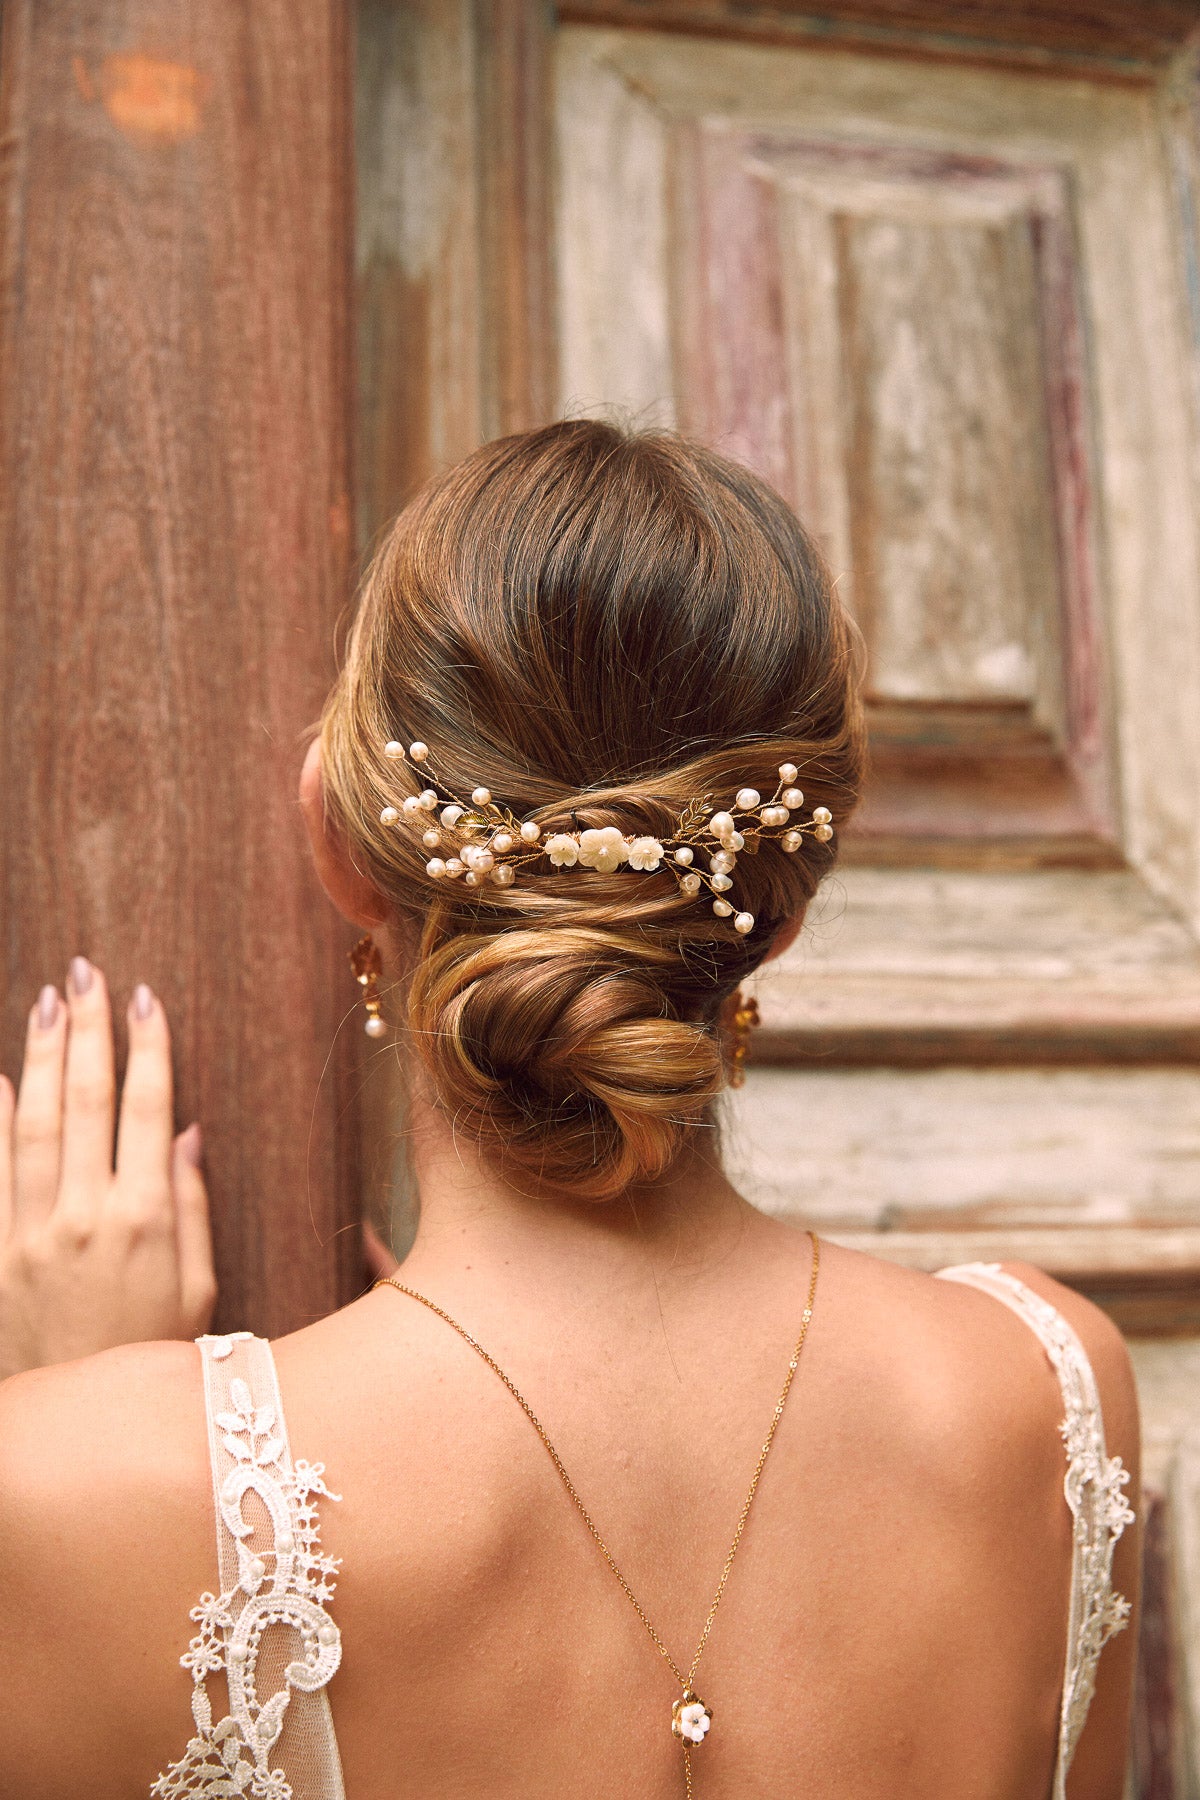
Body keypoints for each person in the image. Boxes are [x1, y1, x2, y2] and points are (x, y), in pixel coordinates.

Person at [0, 421, 1140, 1799]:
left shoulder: (83, 1499)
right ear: (783, 909)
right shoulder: (1051, 1395)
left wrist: (76, 1440)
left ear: (340, 845)